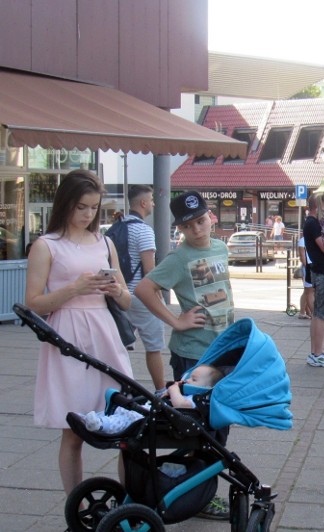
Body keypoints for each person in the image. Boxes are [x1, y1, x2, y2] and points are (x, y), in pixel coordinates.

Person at [24, 169, 134, 497]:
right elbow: (33, 304)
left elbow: (127, 301)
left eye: (93, 208)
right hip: (67, 336)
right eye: (81, 207)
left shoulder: (105, 242)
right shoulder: (46, 245)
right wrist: (75, 288)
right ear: (66, 204)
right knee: (73, 431)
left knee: (127, 423)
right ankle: (78, 509)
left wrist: (114, 289)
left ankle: (126, 503)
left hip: (104, 333)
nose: (87, 215)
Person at [134, 191, 235, 520]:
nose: (196, 229)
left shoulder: (220, 247)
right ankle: (196, 492)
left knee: (217, 428)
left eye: (201, 220)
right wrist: (176, 320)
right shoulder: (178, 258)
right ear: (180, 228)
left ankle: (195, 486)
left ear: (211, 217)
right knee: (200, 430)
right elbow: (144, 289)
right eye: (188, 225)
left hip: (220, 352)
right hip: (192, 355)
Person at [81, 365, 224, 434]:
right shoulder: (187, 392)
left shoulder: (196, 400)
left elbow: (181, 404)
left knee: (128, 419)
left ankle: (101, 425)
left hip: (156, 418)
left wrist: (173, 390)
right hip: (153, 411)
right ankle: (95, 419)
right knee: (121, 410)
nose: (188, 381)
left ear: (207, 387)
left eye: (194, 379)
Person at [121, 185, 167, 394]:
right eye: (151, 199)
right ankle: (160, 390)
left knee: (119, 345)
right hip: (141, 297)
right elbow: (150, 270)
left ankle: (118, 387)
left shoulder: (117, 227)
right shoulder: (144, 230)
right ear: (143, 203)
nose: (153, 203)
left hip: (120, 296)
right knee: (154, 347)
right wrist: (158, 297)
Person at [302, 194, 324, 368]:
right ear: (319, 205)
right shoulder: (313, 223)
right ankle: (317, 353)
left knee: (318, 315)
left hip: (318, 271)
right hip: (323, 272)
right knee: (322, 315)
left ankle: (315, 353)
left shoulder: (310, 222)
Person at [297, 233, 313, 319]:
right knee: (307, 291)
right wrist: (308, 267)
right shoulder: (303, 241)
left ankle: (306, 311)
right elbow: (302, 257)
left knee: (308, 291)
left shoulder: (309, 240)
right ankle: (303, 311)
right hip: (308, 267)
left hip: (311, 266)